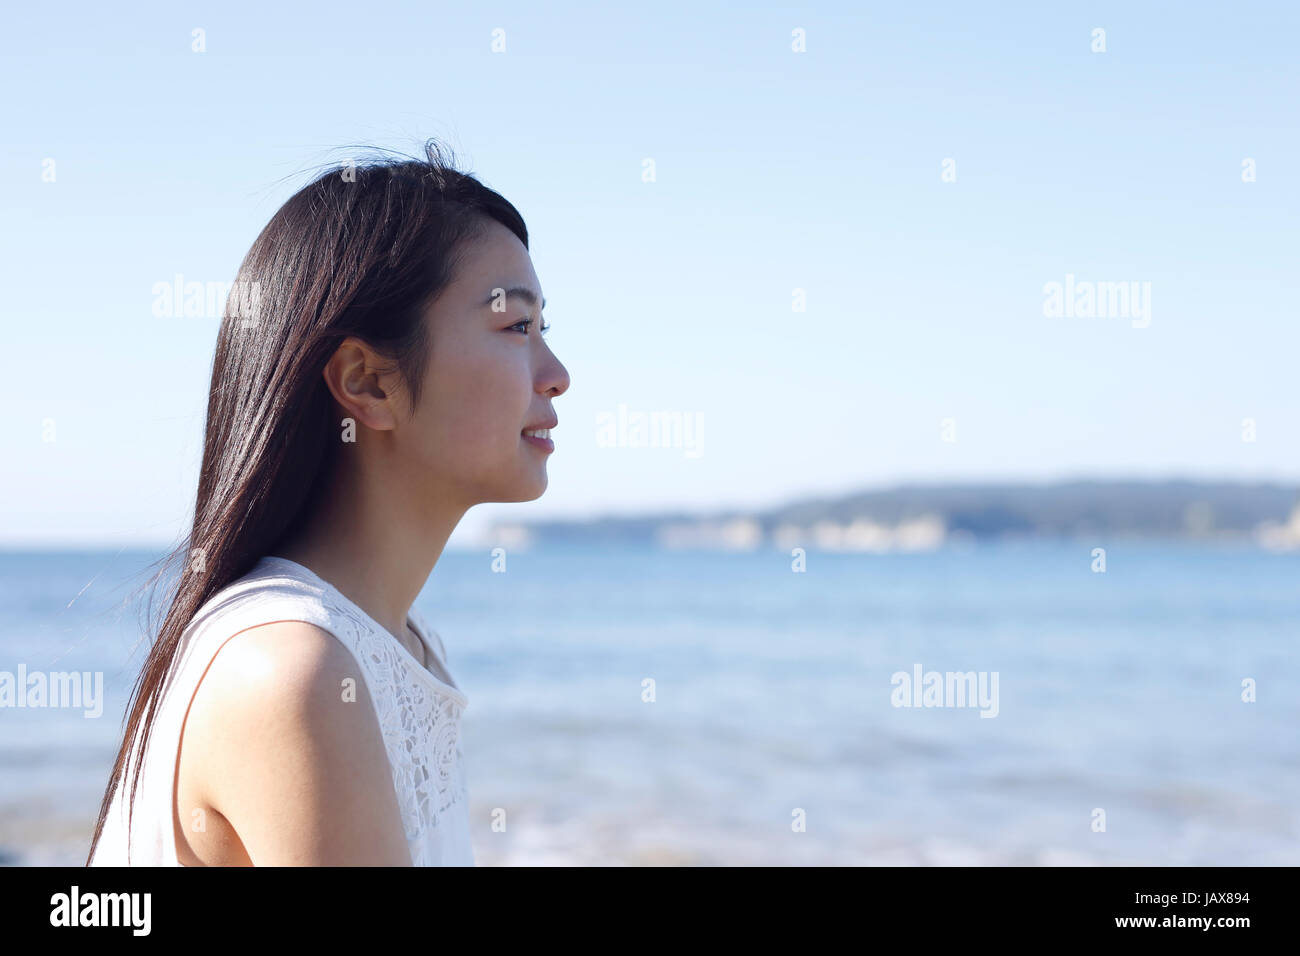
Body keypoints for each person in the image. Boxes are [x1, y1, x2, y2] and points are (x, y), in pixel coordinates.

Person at [86, 140, 570, 865]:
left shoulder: (399, 645)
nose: (557, 375)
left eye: (545, 331)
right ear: (367, 383)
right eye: (516, 327)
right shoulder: (290, 667)